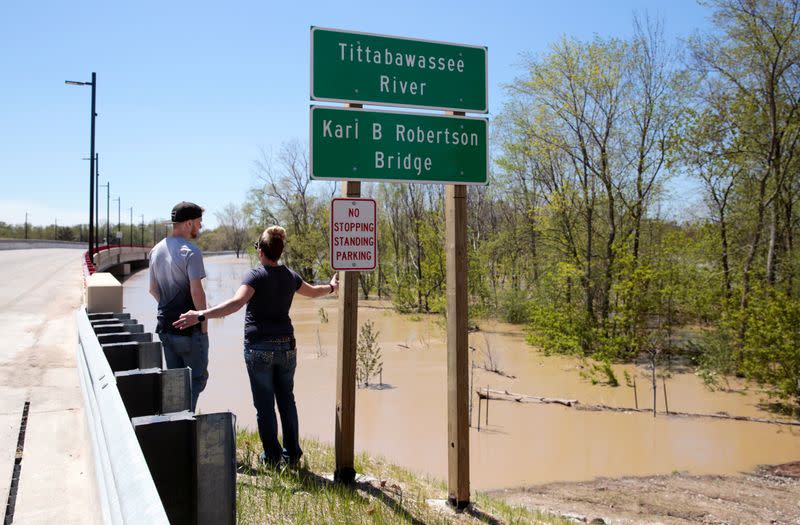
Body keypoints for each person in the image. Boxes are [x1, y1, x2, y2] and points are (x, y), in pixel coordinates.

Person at [174, 225, 338, 466]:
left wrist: (200, 315)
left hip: (259, 349)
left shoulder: (255, 275)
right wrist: (333, 287)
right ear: (279, 251)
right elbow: (313, 292)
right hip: (287, 347)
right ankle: (292, 455)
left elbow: (235, 303)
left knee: (264, 405)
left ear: (261, 251)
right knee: (287, 401)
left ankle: (272, 457)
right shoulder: (290, 276)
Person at [149, 201, 208, 411]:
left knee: (176, 382)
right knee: (198, 379)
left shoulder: (155, 251)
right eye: (199, 223)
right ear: (189, 223)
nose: (200, 227)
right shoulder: (190, 251)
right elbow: (196, 292)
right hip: (189, 329)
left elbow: (153, 289)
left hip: (165, 326)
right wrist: (204, 322)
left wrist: (170, 308)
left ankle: (175, 420)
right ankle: (186, 421)